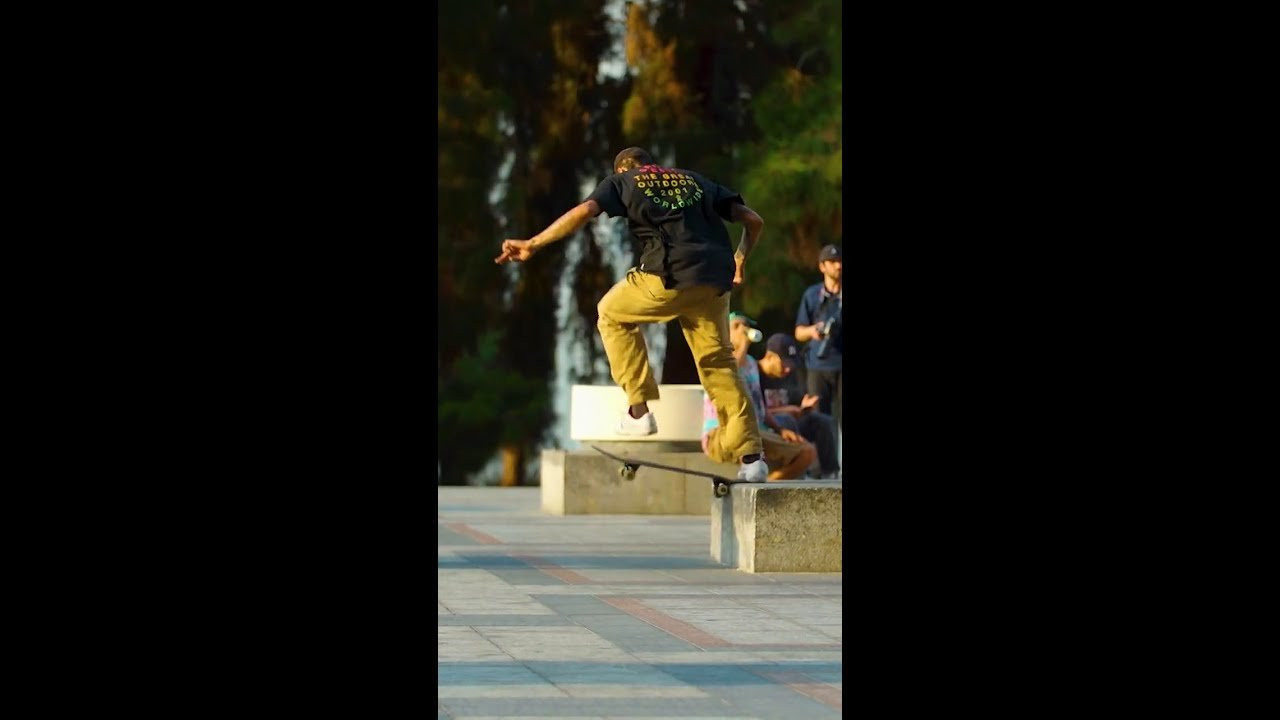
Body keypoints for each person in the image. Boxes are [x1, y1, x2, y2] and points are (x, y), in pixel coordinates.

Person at [495, 147, 771, 483]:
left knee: (610, 313)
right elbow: (754, 221)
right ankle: (752, 458)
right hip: (715, 280)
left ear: (625, 167)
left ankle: (639, 409)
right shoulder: (696, 181)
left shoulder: (623, 181)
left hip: (669, 275)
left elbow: (584, 212)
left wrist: (533, 243)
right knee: (719, 364)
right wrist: (740, 259)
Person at [701, 313, 816, 480]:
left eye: (745, 325)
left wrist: (780, 429)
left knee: (807, 452)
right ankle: (758, 479)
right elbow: (731, 376)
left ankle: (768, 486)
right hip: (720, 434)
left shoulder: (752, 363)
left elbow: (759, 404)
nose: (743, 329)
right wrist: (742, 346)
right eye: (736, 326)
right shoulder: (717, 358)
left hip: (754, 434)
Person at [758, 333, 840, 478]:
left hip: (789, 424)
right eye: (783, 364)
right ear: (770, 356)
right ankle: (799, 471)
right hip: (767, 426)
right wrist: (787, 410)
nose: (788, 369)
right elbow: (756, 409)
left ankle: (829, 473)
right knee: (786, 418)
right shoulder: (754, 373)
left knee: (822, 421)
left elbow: (795, 406)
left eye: (790, 365)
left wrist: (803, 407)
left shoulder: (788, 377)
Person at [795, 244, 842, 432]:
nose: (838, 266)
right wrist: (814, 330)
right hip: (818, 365)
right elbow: (799, 332)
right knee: (819, 421)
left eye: (840, 261)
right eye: (832, 262)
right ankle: (823, 462)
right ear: (822, 266)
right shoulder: (812, 294)